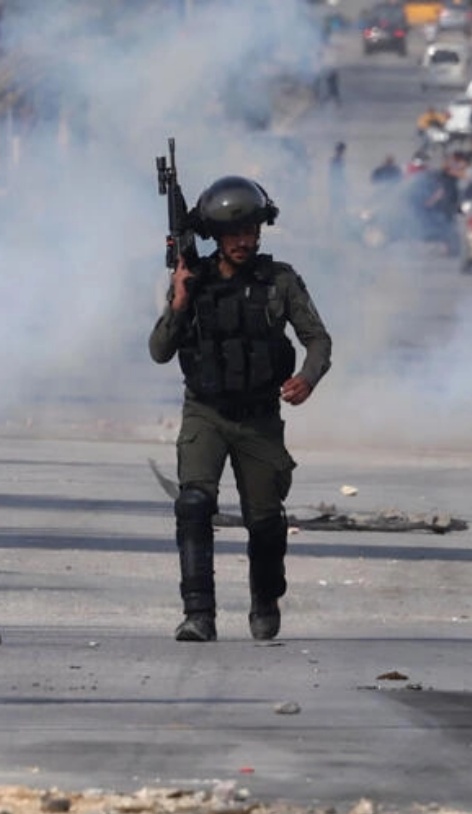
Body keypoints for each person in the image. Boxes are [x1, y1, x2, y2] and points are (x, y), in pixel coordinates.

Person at [148, 176, 333, 642]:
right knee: (193, 504)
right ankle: (198, 613)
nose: (244, 242)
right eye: (234, 234)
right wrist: (180, 299)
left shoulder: (279, 281)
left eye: (251, 231)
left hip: (259, 417)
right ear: (215, 235)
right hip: (206, 411)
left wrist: (307, 378)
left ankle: (265, 598)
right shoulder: (193, 279)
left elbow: (317, 339)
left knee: (267, 521)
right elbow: (158, 350)